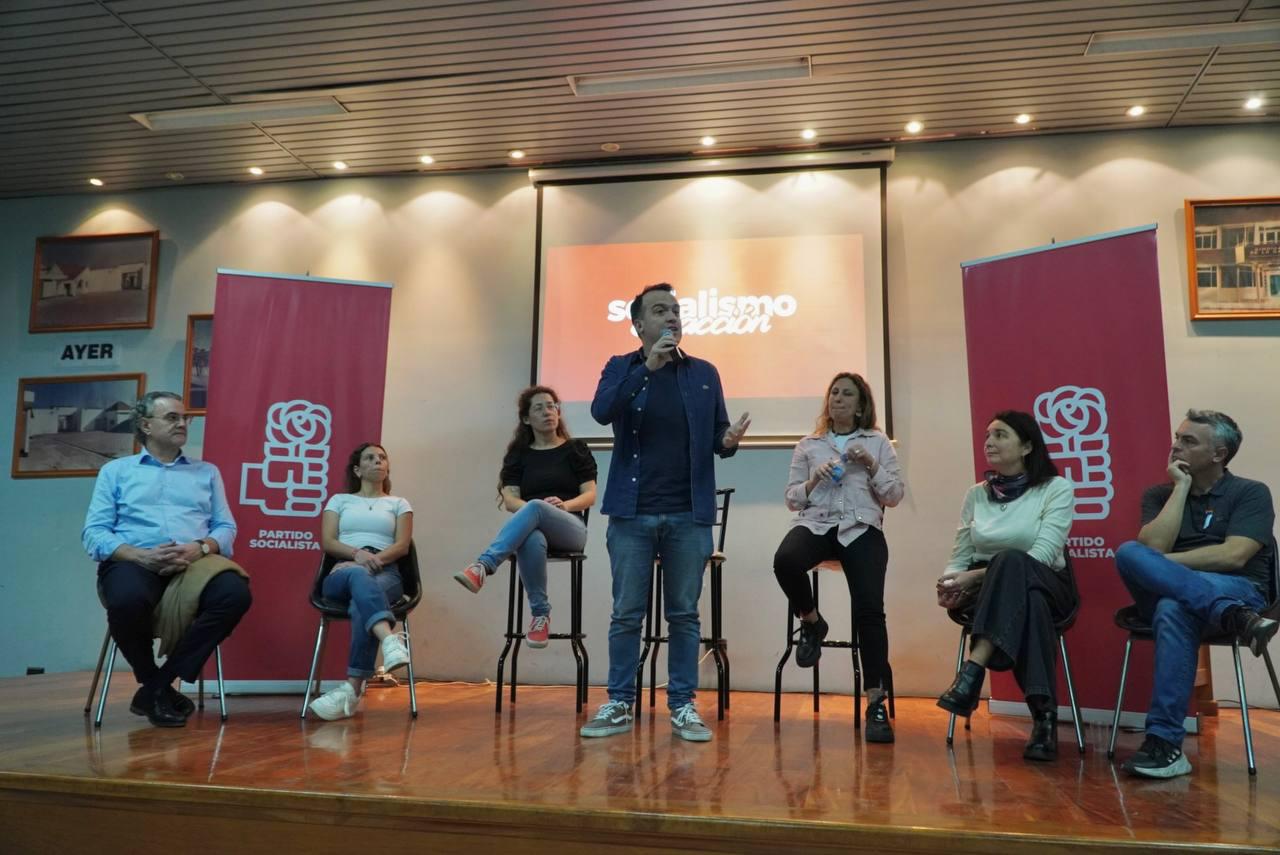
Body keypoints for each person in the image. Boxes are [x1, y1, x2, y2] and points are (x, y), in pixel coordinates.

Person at [580, 282, 750, 743]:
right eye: (660, 310)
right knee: (626, 613)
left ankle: (682, 705)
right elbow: (602, 412)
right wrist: (647, 369)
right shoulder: (621, 368)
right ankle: (620, 702)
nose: (672, 316)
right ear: (639, 325)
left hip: (688, 513)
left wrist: (728, 441)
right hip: (632, 513)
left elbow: (717, 436)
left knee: (684, 615)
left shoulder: (704, 373)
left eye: (675, 310)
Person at [1115, 409, 1277, 779]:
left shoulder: (1250, 492)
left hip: (1239, 588)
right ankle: (1233, 617)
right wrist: (1180, 489)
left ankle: (1164, 745)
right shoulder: (1160, 494)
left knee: (1173, 606)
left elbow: (1234, 556)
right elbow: (1150, 546)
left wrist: (1160, 566)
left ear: (1219, 454)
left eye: (1188, 441)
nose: (1176, 446)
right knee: (1129, 553)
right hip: (1227, 607)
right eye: (1177, 437)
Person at [82, 391, 252, 727]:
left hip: (195, 563)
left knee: (235, 595)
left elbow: (226, 527)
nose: (182, 423)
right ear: (146, 425)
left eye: (185, 418)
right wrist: (140, 556)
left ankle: (157, 686)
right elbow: (95, 533)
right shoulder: (116, 471)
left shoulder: (206, 472)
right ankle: (154, 683)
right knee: (126, 601)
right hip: (134, 560)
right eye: (172, 417)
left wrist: (201, 547)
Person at [935, 410, 1076, 761]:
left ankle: (974, 666)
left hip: (1047, 580)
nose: (989, 442)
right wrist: (949, 583)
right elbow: (960, 554)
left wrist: (975, 576)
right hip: (995, 593)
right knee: (1032, 604)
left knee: (1012, 562)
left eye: (1000, 435)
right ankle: (1043, 718)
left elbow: (1041, 556)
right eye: (987, 435)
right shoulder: (976, 494)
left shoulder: (1055, 488)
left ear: (1026, 446)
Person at [773, 372, 904, 742]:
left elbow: (894, 495)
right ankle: (812, 621)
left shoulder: (878, 442)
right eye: (834, 393)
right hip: (817, 524)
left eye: (847, 394)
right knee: (785, 560)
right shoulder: (809, 444)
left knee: (869, 610)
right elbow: (792, 499)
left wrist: (871, 464)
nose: (838, 399)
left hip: (861, 527)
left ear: (861, 405)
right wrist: (814, 479)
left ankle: (875, 701)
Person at [453, 385, 597, 647]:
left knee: (535, 507)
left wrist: (563, 506)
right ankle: (540, 616)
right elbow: (510, 501)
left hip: (571, 528)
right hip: (535, 528)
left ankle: (484, 566)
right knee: (530, 537)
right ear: (526, 418)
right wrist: (536, 509)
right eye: (539, 408)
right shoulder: (518, 455)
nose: (548, 412)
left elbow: (590, 495)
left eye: (551, 406)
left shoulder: (576, 449)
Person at [308, 442, 414, 721]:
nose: (378, 461)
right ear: (357, 469)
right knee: (358, 576)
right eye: (370, 458)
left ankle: (352, 689)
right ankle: (389, 640)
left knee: (361, 605)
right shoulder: (339, 501)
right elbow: (328, 541)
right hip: (343, 570)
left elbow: (402, 545)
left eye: (382, 457)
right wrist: (358, 555)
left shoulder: (399, 504)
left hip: (386, 572)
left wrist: (374, 560)